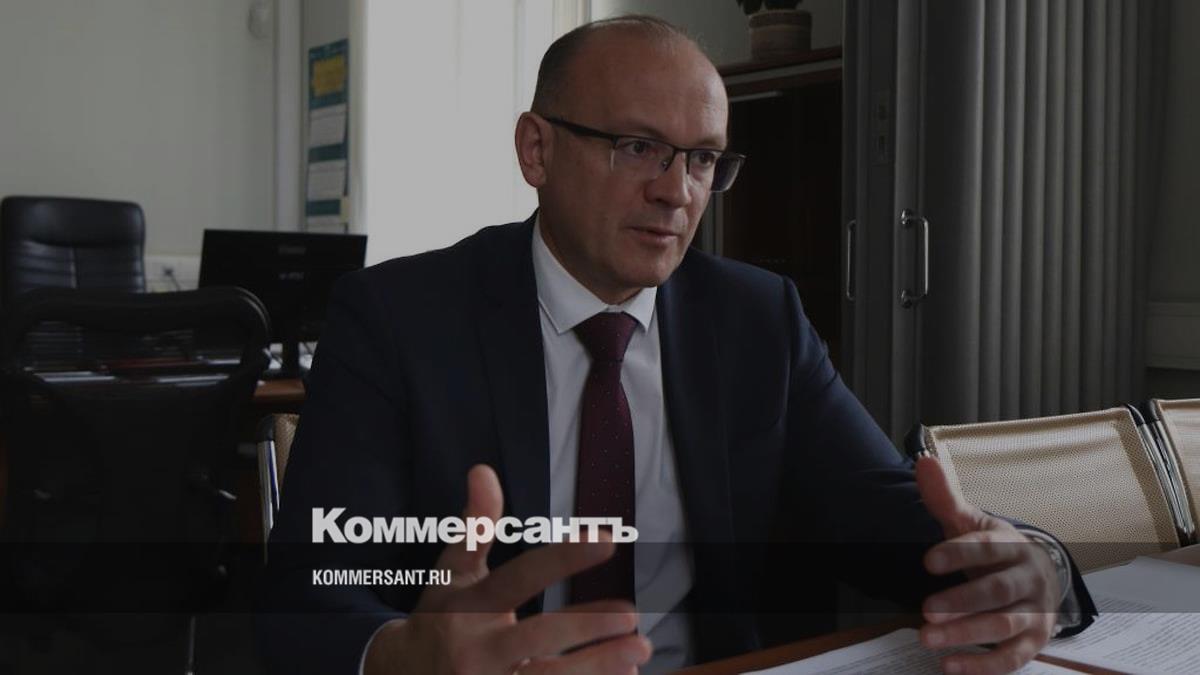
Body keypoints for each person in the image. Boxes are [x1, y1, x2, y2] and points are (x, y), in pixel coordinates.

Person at [258, 16, 1095, 675]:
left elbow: (887, 517)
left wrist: (1032, 566)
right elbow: (307, 593)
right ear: (536, 150)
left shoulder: (757, 319)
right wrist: (403, 654)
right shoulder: (399, 319)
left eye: (702, 159)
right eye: (638, 147)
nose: (677, 191)